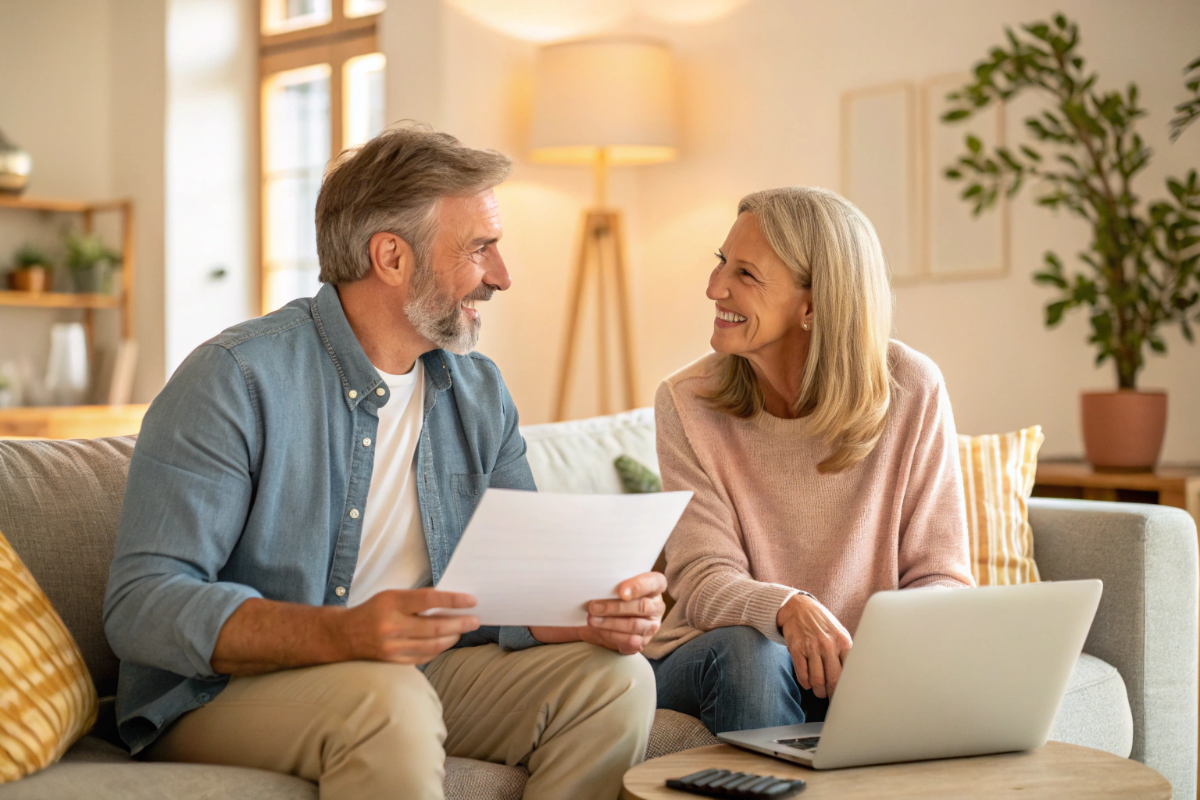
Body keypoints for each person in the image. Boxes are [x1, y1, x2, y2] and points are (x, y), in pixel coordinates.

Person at [103, 125, 666, 800]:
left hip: (410, 672)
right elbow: (143, 606)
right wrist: (343, 634)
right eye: (480, 248)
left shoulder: (478, 392)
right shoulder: (235, 378)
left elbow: (508, 588)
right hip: (223, 692)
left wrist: (573, 612)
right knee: (387, 698)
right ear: (392, 257)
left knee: (616, 681)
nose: (502, 276)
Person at [643, 186, 974, 735]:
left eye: (745, 274)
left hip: (859, 667)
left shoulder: (911, 388)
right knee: (756, 655)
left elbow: (942, 577)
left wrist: (876, 656)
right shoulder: (687, 401)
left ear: (815, 302)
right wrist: (786, 608)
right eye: (722, 262)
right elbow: (703, 578)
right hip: (719, 656)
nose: (714, 286)